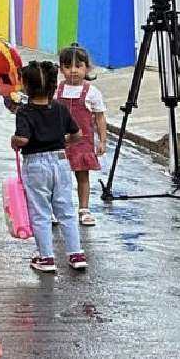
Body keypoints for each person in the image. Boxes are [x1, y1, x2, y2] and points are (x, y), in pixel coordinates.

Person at [11, 60, 88, 273]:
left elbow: (23, 139)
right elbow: (78, 134)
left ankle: (46, 257)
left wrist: (14, 140)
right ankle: (76, 253)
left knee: (40, 211)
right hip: (61, 161)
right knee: (65, 209)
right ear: (53, 85)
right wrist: (64, 142)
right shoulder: (61, 109)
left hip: (36, 165)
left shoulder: (25, 112)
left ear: (26, 86)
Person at [56, 43, 106, 227]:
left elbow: (100, 117)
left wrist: (102, 140)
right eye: (68, 67)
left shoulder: (91, 92)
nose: (73, 71)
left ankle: (84, 209)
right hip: (60, 141)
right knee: (59, 177)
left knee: (82, 175)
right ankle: (59, 209)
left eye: (78, 66)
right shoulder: (57, 90)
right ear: (61, 69)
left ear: (87, 68)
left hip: (83, 142)